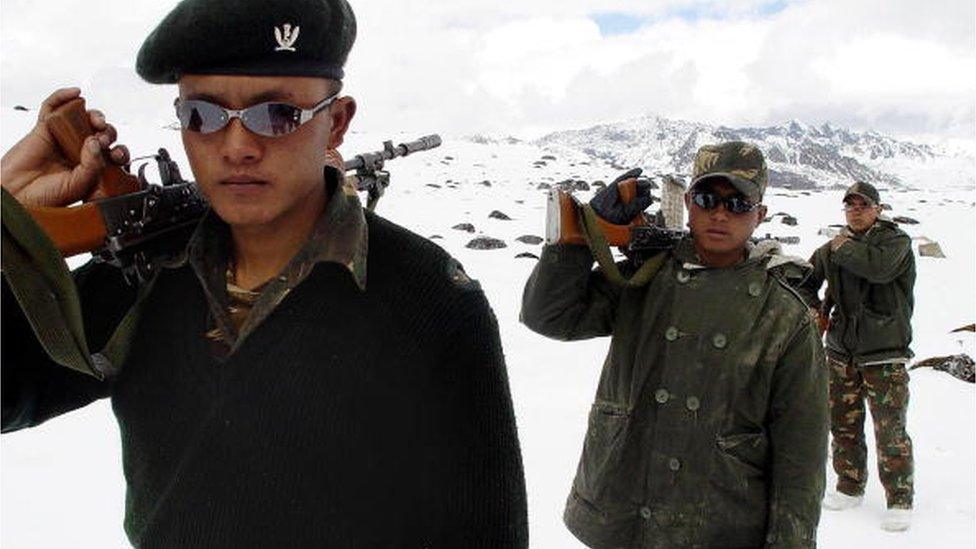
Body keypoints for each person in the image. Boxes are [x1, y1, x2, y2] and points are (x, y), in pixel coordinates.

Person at [0, 0, 528, 546]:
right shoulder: (146, 269)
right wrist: (8, 224)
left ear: (337, 122)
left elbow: (485, 532)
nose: (237, 148)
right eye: (203, 115)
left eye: (275, 114)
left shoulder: (429, 300)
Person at [521, 141, 828, 548]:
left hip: (718, 524)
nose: (720, 213)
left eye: (738, 203)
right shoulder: (646, 275)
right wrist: (579, 238)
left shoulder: (782, 313)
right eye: (707, 199)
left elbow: (800, 456)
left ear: (760, 214)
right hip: (623, 509)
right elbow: (549, 316)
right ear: (688, 202)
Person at [798, 181, 915, 532]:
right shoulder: (835, 246)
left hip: (884, 353)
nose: (856, 210)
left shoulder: (895, 242)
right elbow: (805, 278)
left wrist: (841, 246)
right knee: (843, 423)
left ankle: (899, 498)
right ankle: (849, 485)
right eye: (850, 205)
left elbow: (877, 269)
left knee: (890, 429)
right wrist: (814, 307)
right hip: (841, 351)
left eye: (863, 204)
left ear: (878, 209)